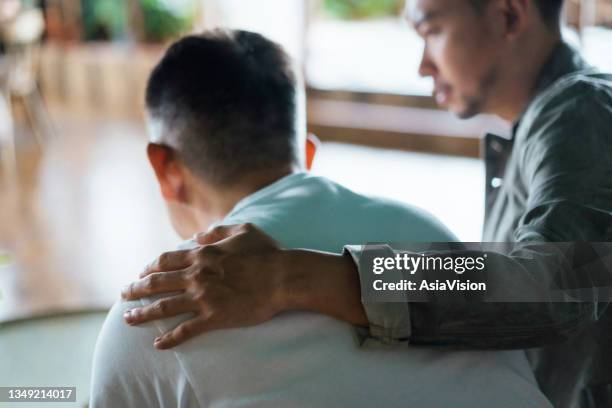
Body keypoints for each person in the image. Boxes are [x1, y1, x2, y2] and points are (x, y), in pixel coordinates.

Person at [121, 1, 612, 407]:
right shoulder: (547, 125)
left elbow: (556, 285)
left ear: (508, 14)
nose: (422, 64)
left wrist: (286, 277)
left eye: (433, 30)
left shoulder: (580, 110)